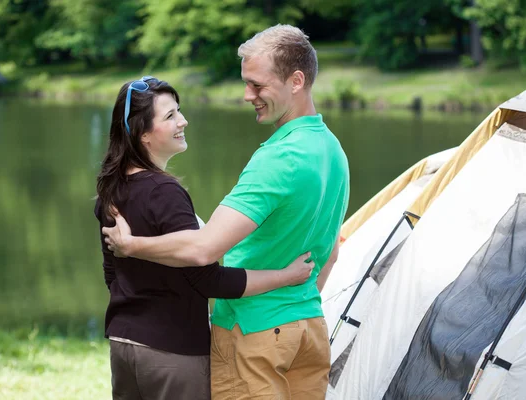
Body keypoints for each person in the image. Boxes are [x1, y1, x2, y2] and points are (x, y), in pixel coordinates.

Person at [104, 24, 350, 399]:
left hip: (253, 332)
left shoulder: (277, 158)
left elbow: (204, 250)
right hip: (307, 326)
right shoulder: (333, 150)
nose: (247, 95)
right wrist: (292, 305)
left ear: (296, 81)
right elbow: (329, 252)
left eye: (257, 85)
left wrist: (131, 246)